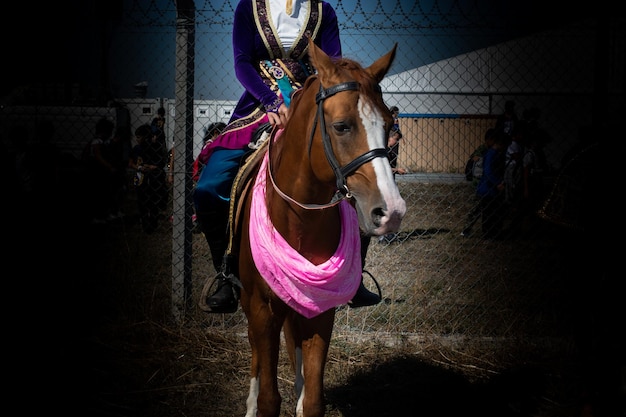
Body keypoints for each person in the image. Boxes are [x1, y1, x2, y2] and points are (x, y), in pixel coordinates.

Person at [195, 0, 381, 313]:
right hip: (258, 106)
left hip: (311, 105)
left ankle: (354, 276)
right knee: (209, 187)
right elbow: (242, 62)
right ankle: (226, 274)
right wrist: (270, 102)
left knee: (356, 179)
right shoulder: (247, 8)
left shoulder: (324, 12)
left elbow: (332, 69)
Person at [463, 131, 507, 239]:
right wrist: (497, 183)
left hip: (486, 186)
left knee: (488, 210)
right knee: (479, 209)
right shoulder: (487, 152)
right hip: (484, 186)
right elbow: (487, 170)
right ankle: (469, 230)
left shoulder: (493, 153)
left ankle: (489, 232)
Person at [129, 124, 168, 234]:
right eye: (136, 137)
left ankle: (152, 223)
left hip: (153, 179)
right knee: (141, 202)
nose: (137, 139)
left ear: (146, 137)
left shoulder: (154, 148)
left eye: (139, 137)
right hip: (140, 178)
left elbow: (160, 163)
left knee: (153, 202)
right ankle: (145, 224)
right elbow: (131, 162)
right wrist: (138, 167)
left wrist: (151, 167)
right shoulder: (136, 149)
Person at [461, 127, 497, 236]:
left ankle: (485, 229)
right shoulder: (483, 149)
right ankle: (466, 229)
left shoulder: (492, 151)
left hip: (485, 184)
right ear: (489, 140)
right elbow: (474, 159)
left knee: (485, 208)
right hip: (479, 183)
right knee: (476, 207)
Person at [82, 117, 116, 224]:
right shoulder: (97, 141)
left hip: (100, 171)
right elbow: (98, 156)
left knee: (102, 193)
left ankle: (102, 214)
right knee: (97, 193)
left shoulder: (102, 141)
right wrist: (109, 166)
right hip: (96, 171)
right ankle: (96, 216)